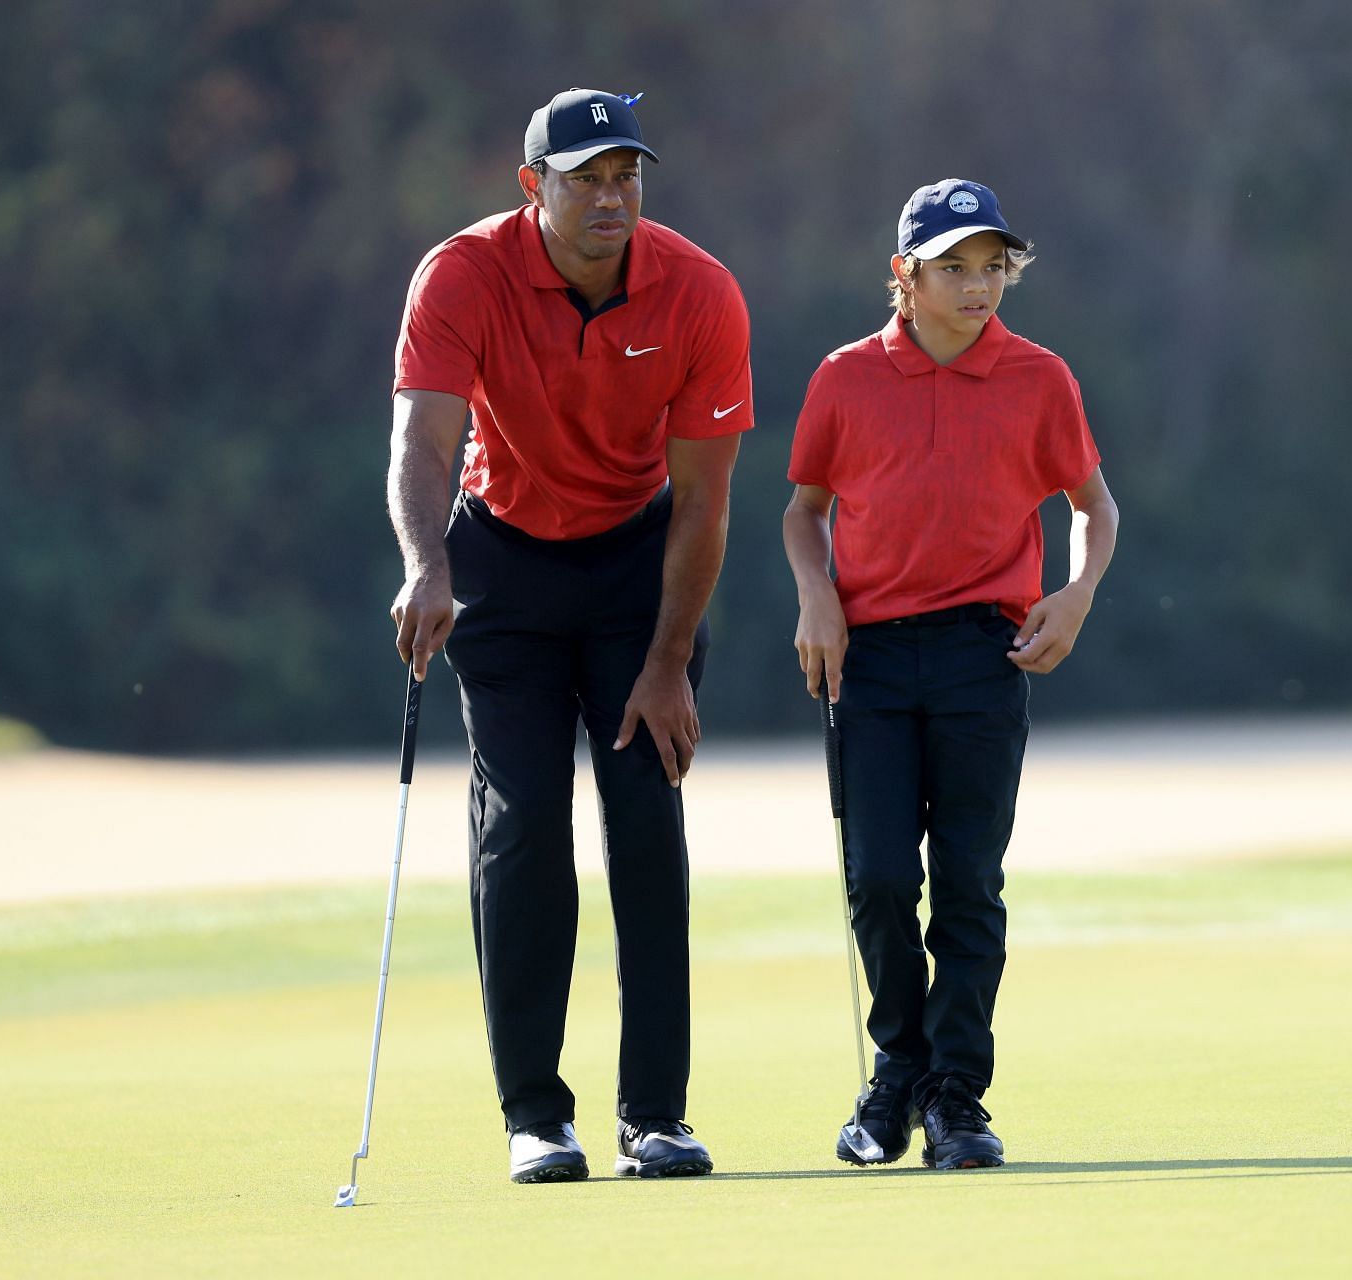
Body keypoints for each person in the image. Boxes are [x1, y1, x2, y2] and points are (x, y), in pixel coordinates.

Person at [387, 88, 753, 1183]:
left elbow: (704, 504)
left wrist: (669, 661)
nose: (611, 197)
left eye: (627, 176)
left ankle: (658, 1113)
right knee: (524, 827)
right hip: (501, 562)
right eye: (586, 178)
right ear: (531, 185)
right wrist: (426, 564)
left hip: (644, 569)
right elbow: (423, 438)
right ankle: (536, 1116)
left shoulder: (698, 291)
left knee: (646, 820)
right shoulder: (462, 273)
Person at [782, 178, 1119, 1170]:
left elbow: (1094, 506)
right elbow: (803, 510)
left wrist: (1077, 591)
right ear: (905, 275)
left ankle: (953, 1097)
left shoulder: (1040, 376)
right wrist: (816, 597)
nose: (980, 288)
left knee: (968, 883)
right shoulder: (845, 378)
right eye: (956, 269)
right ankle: (898, 1071)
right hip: (873, 655)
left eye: (992, 268)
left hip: (986, 649)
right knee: (880, 877)